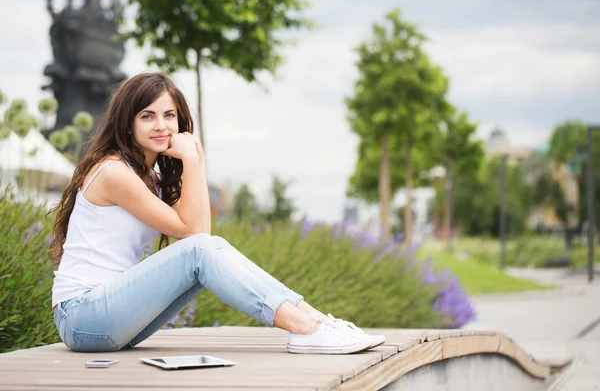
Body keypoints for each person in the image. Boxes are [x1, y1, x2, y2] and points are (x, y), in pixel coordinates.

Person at [49, 72, 385, 355]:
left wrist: (196, 158)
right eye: (147, 116)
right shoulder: (113, 172)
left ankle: (317, 322)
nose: (161, 125)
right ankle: (305, 328)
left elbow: (200, 231)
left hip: (111, 319)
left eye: (169, 115)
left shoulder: (150, 177)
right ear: (127, 122)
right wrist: (193, 161)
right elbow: (196, 236)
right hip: (82, 316)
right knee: (200, 251)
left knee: (204, 253)